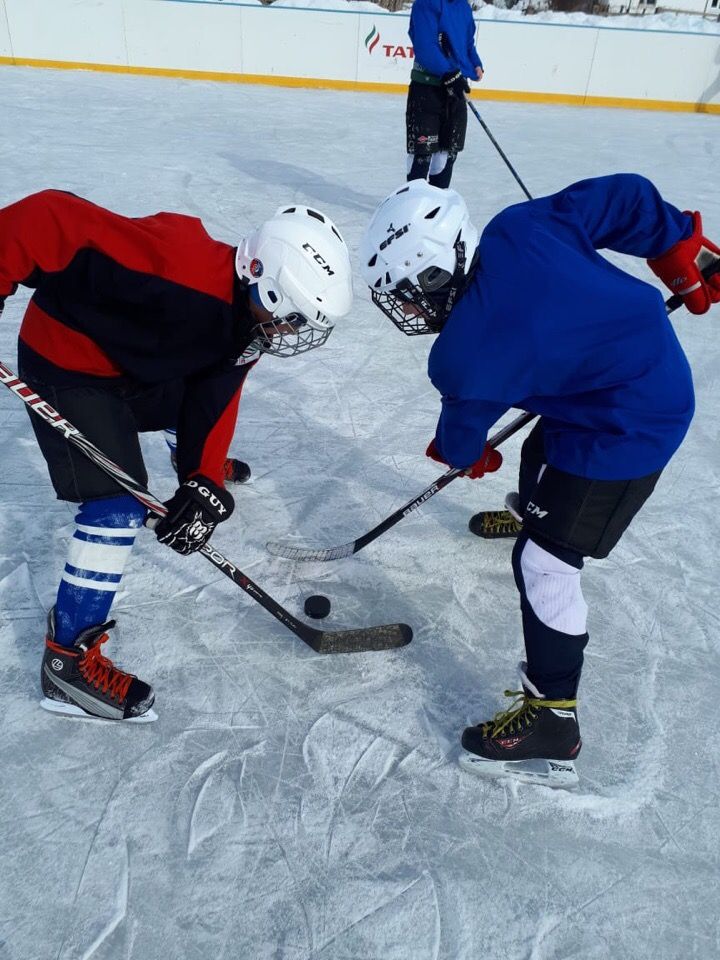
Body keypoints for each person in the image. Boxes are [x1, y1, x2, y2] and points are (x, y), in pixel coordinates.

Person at [360, 175, 720, 786]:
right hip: (616, 377)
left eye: (409, 294)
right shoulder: (518, 228)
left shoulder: (460, 355)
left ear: (436, 273)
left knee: (545, 564)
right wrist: (680, 244)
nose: (409, 311)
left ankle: (554, 719)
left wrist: (467, 455)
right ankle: (540, 510)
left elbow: (459, 442)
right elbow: (625, 198)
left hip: (631, 424)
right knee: (541, 444)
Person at [0, 190, 353, 723]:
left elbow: (215, 396)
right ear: (266, 286)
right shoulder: (174, 267)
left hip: (133, 369)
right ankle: (66, 665)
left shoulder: (247, 322)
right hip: (67, 363)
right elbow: (48, 216)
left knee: (191, 406)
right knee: (116, 511)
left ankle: (182, 460)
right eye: (294, 319)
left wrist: (202, 479)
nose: (291, 333)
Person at [406, 0, 484, 189]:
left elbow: (466, 43)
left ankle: (438, 207)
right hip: (427, 90)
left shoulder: (463, 7)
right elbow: (425, 45)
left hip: (454, 90)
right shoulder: (426, 3)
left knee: (447, 153)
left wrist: (475, 63)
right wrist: (447, 72)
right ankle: (413, 206)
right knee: (422, 154)